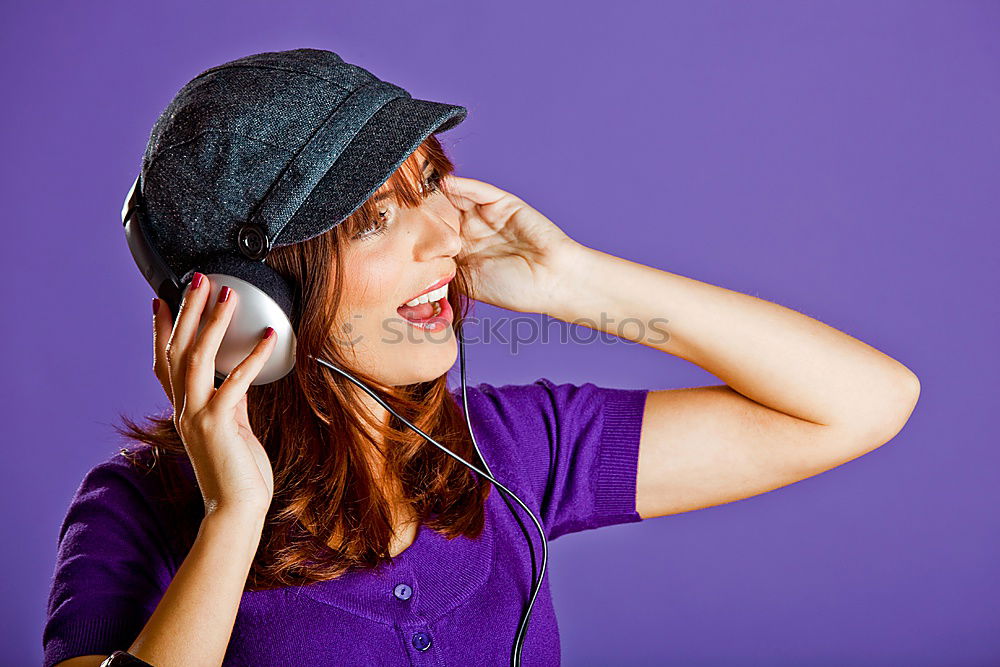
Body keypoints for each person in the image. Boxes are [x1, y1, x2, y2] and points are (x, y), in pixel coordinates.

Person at [43, 50, 921, 667]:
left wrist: (575, 281)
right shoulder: (140, 510)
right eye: (375, 220)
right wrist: (232, 517)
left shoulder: (507, 447)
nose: (448, 236)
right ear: (247, 302)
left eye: (428, 184)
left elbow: (866, 401)